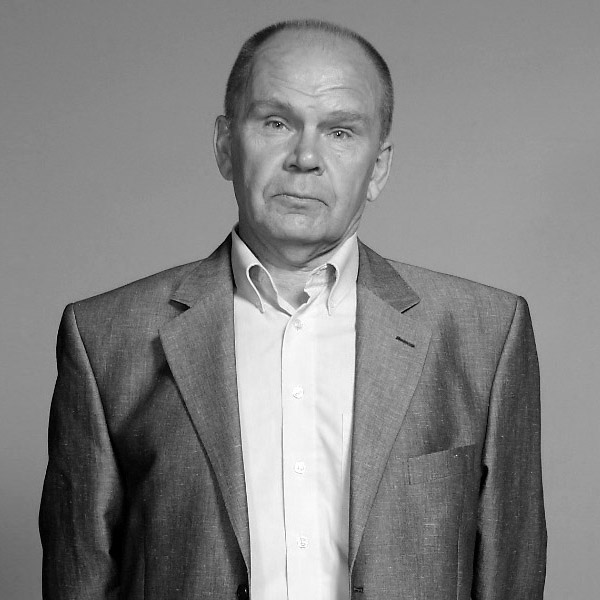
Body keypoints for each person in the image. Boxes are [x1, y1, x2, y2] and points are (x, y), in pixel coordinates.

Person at [39, 19, 546, 600]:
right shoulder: (105, 338)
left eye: (340, 131)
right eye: (276, 123)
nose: (305, 157)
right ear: (225, 145)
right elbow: (78, 577)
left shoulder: (486, 336)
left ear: (378, 167)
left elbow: (511, 574)